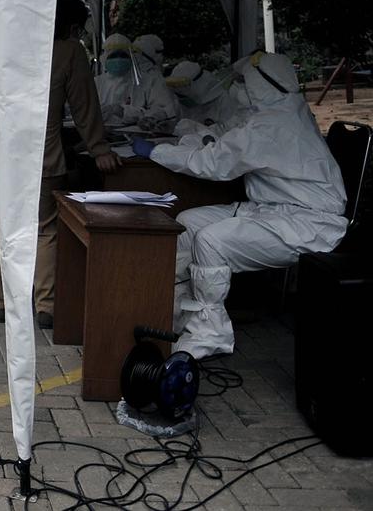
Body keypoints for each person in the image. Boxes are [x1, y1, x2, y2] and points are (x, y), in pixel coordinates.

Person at [132, 51, 347, 358]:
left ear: (261, 85)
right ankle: (177, 311)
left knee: (211, 241)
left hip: (309, 223)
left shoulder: (272, 125)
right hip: (275, 209)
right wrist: (197, 138)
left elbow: (213, 164)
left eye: (245, 81)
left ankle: (211, 331)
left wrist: (157, 153)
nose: (238, 88)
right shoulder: (280, 110)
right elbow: (228, 135)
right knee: (190, 221)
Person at [0, 0, 121, 327]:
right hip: (42, 157)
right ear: (74, 27)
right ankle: (45, 305)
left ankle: (0, 301)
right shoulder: (70, 52)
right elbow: (84, 106)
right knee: (44, 229)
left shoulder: (4, 45)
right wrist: (99, 149)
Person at [95, 34, 179, 130]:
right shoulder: (96, 83)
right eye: (113, 56)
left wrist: (125, 112)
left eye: (123, 55)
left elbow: (165, 110)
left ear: (131, 57)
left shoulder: (149, 80)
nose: (118, 59)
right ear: (104, 58)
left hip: (137, 136)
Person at [166, 61, 245, 134]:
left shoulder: (223, 100)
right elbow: (173, 125)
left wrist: (200, 130)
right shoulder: (178, 103)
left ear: (198, 83)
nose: (183, 99)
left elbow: (231, 132)